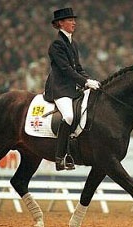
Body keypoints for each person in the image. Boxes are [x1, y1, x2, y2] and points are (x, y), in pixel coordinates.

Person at [44, 7, 100, 171]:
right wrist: (84, 82)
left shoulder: (72, 43)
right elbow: (66, 70)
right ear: (60, 23)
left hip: (72, 88)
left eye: (74, 20)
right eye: (70, 20)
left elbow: (78, 68)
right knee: (68, 116)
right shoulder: (57, 44)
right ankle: (60, 157)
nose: (74, 22)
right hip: (60, 88)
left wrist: (90, 80)